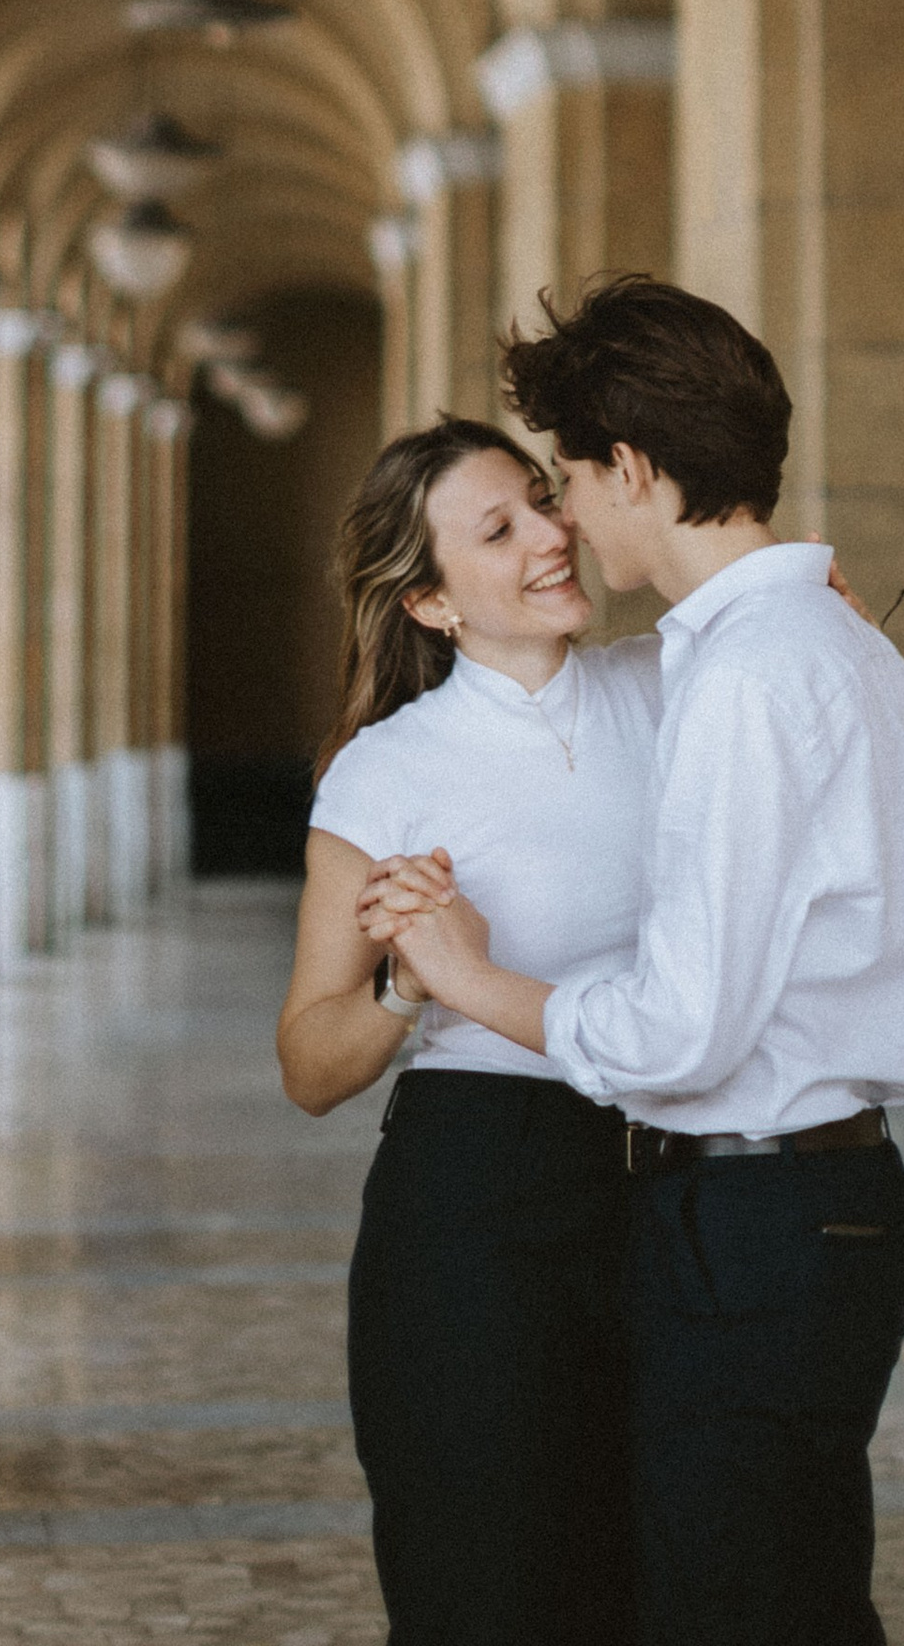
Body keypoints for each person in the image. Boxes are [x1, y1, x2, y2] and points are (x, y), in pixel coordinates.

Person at [362, 277, 904, 1646]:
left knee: (741, 1607)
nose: (562, 515)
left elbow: (678, 1033)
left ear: (632, 467)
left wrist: (462, 978)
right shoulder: (807, 643)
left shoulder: (754, 673)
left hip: (757, 1225)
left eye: (567, 477)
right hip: (804, 1208)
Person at [276, 414, 657, 1646]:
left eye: (545, 501)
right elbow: (307, 1063)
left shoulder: (674, 683)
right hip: (476, 1208)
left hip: (677, 1178)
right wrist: (410, 983)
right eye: (501, 530)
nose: (553, 535)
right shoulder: (385, 773)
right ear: (433, 604)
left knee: (645, 1578)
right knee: (481, 1584)